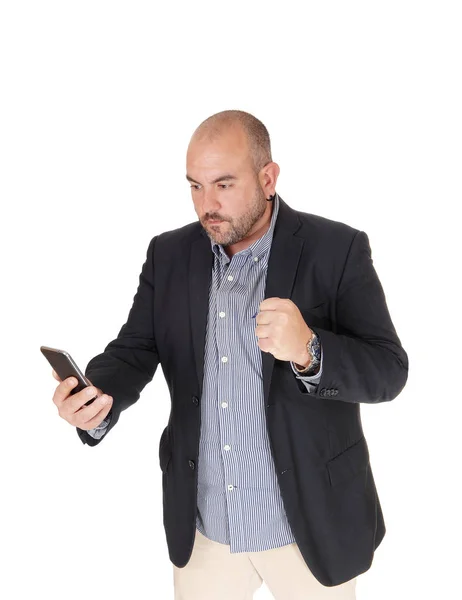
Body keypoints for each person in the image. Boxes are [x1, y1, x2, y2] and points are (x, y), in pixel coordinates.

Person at [51, 109, 409, 599]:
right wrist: (94, 398)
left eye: (223, 184)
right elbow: (135, 349)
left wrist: (310, 349)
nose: (207, 204)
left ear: (268, 178)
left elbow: (389, 370)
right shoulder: (169, 255)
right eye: (195, 186)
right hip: (206, 529)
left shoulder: (337, 249)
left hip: (308, 527)